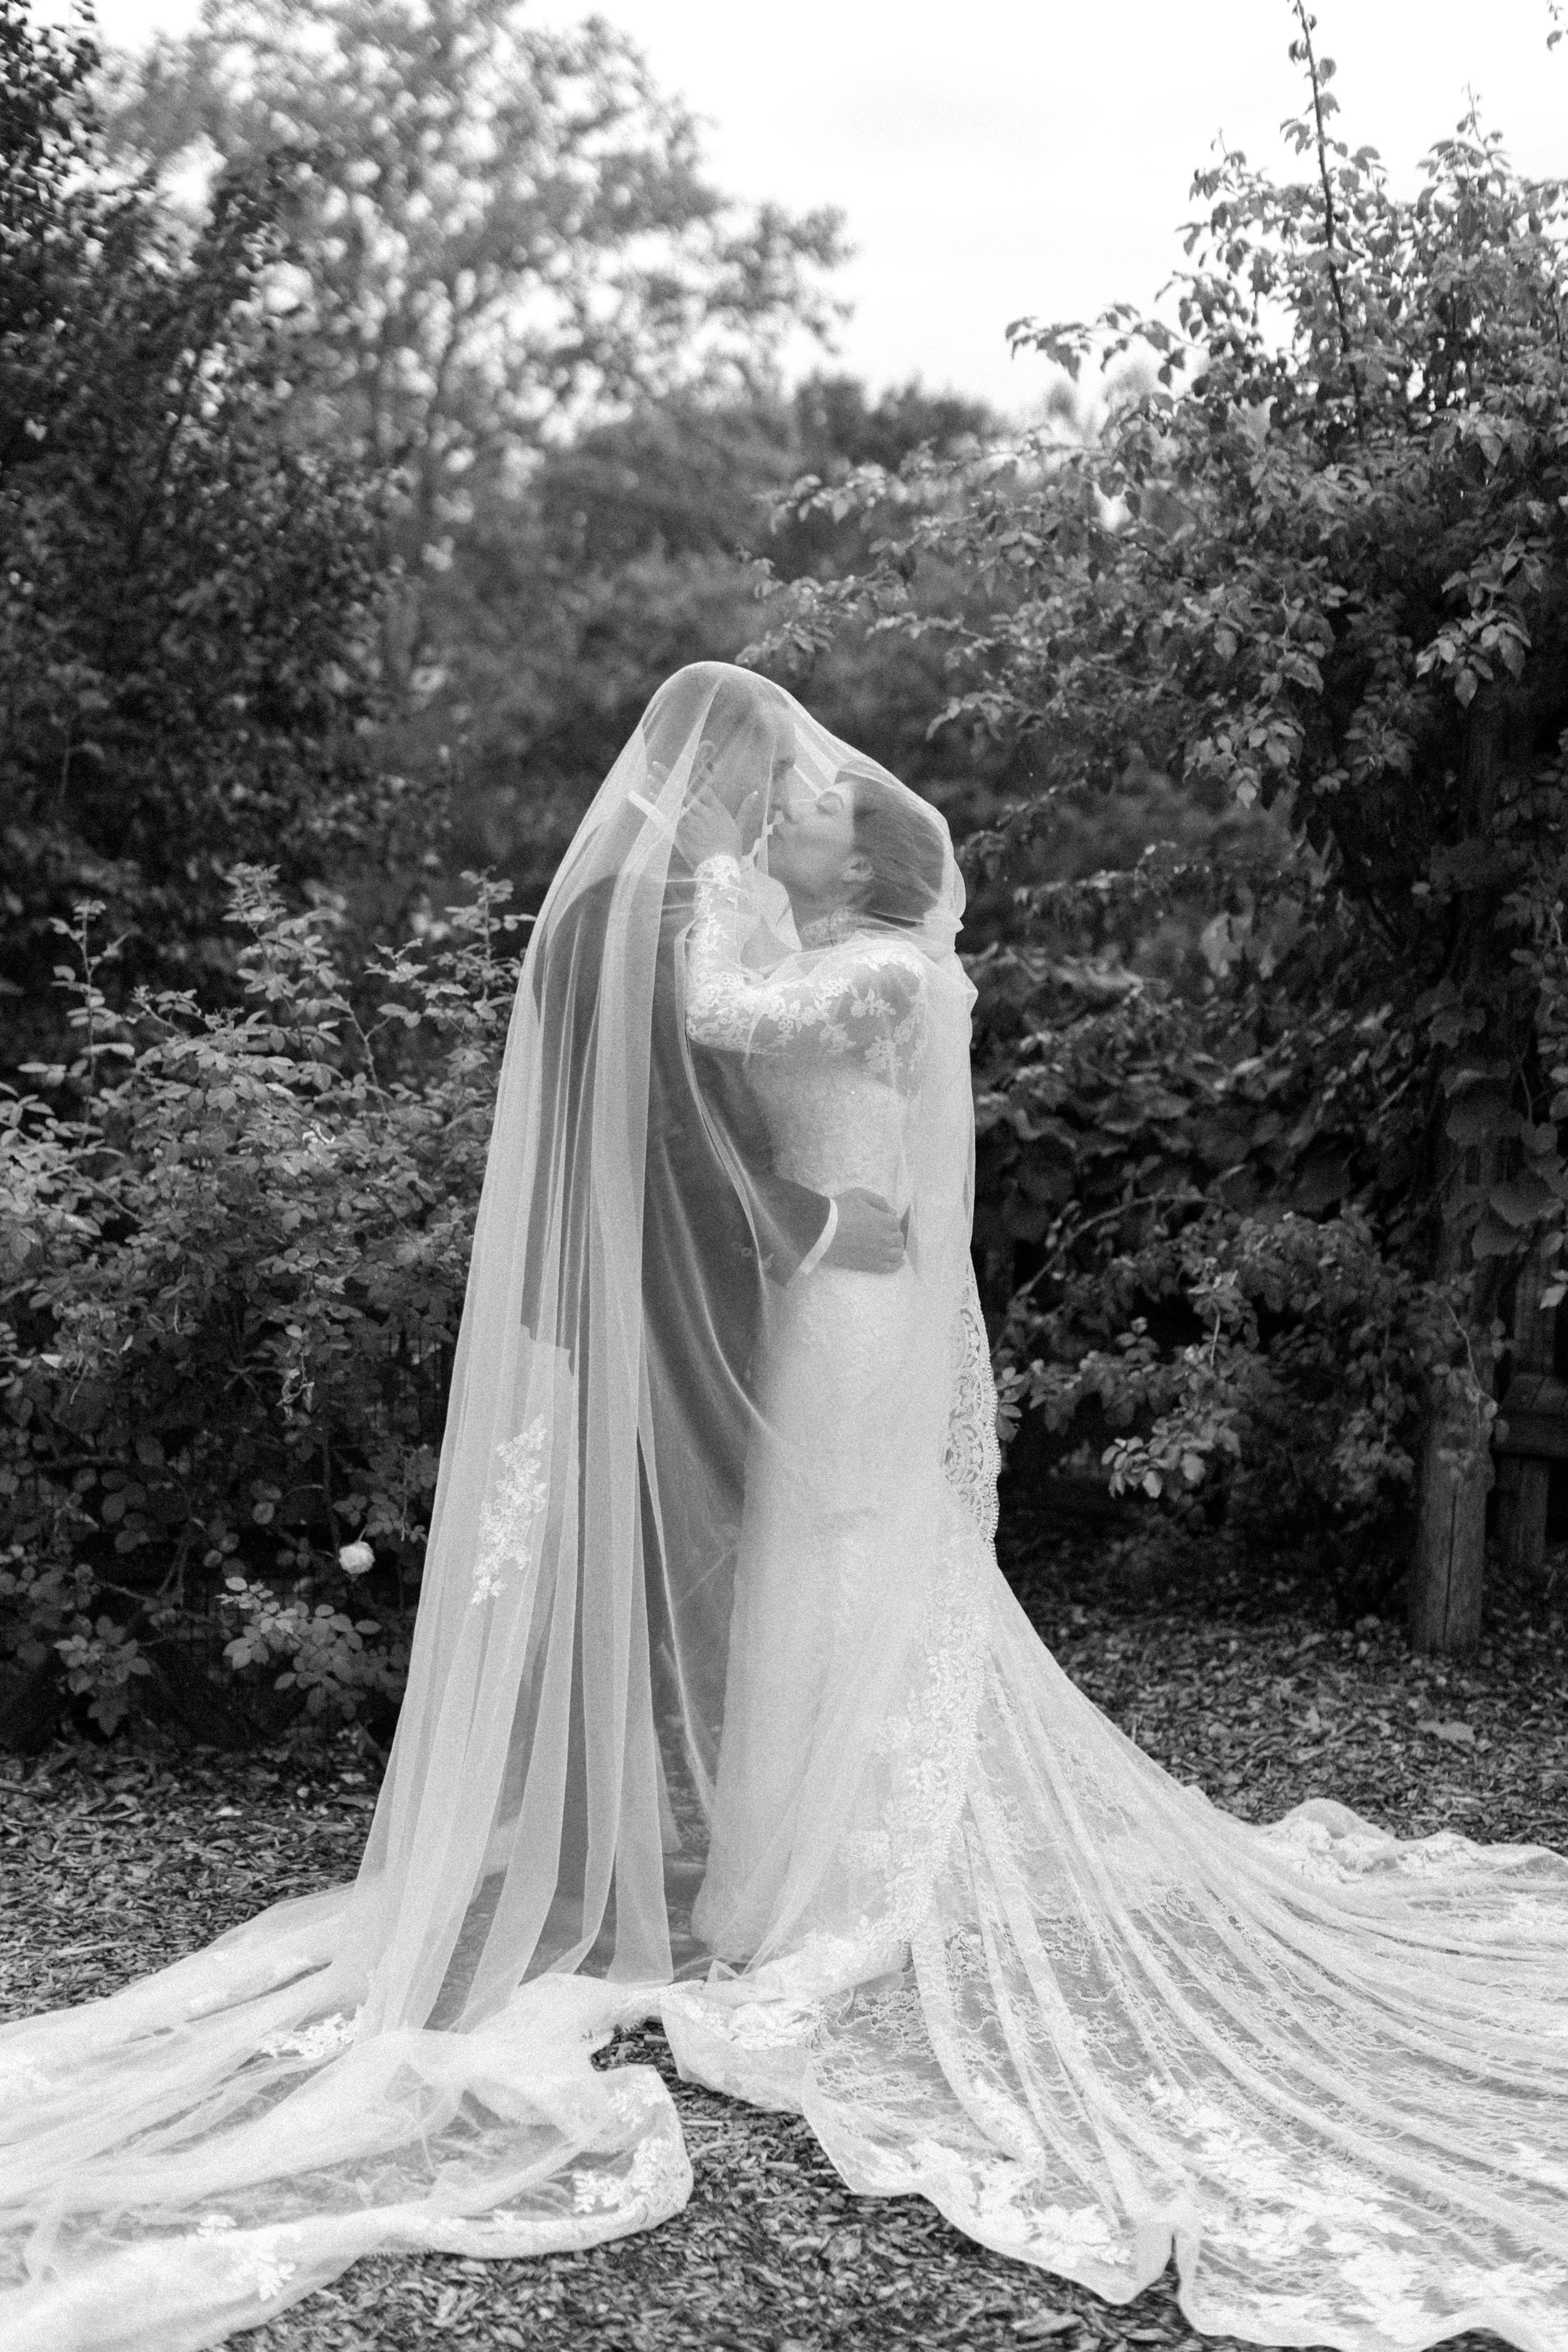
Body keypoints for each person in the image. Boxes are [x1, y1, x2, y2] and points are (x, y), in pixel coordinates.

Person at [3, 665, 1567, 2352]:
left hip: (857, 1294)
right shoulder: (819, 943)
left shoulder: (891, 972)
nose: (803, 807)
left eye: (821, 810)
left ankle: (836, 1862)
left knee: (844, 1553)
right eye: (797, 796)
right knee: (806, 1566)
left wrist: (705, 889)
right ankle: (782, 1852)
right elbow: (718, 1030)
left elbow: (734, 1022)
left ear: (863, 869)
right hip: (820, 1286)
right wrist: (716, 885)